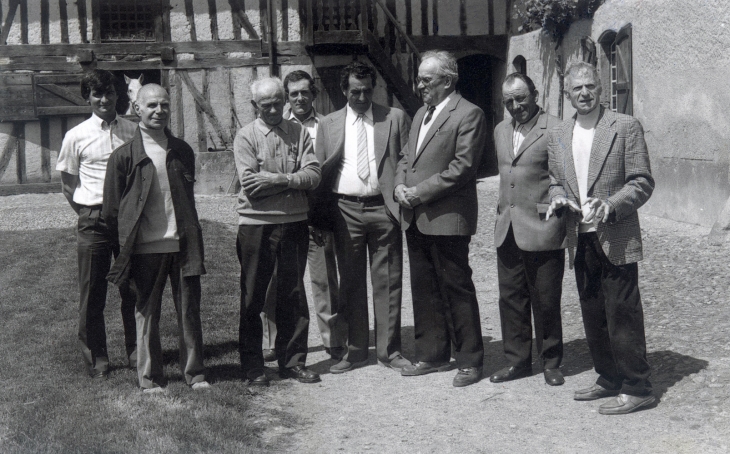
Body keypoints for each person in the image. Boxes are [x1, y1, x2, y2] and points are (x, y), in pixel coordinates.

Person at [546, 61, 655, 414]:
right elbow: (555, 180)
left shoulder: (625, 127)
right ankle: (608, 378)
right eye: (576, 88)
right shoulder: (559, 134)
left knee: (623, 312)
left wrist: (611, 204)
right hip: (579, 236)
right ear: (567, 94)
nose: (584, 93)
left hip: (616, 234)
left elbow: (641, 181)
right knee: (592, 312)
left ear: (601, 89)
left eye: (590, 86)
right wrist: (558, 197)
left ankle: (638, 386)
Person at [103, 84, 210, 393]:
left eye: (164, 105)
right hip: (145, 249)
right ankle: (150, 379)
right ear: (137, 109)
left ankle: (196, 374)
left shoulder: (182, 150)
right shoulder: (123, 157)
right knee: (147, 314)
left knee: (189, 312)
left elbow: (186, 199)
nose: (159, 111)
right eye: (151, 105)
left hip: (183, 245)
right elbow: (111, 211)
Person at [311, 62, 411, 375]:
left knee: (389, 281)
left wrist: (399, 196)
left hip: (383, 209)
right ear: (344, 91)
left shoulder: (394, 118)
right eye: (355, 91)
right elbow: (320, 171)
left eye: (367, 90)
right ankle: (355, 351)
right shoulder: (328, 123)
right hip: (345, 211)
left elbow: (406, 162)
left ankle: (389, 351)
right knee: (350, 282)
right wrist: (319, 215)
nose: (362, 96)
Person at [394, 50, 486, 387]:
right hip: (416, 216)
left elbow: (462, 168)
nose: (419, 86)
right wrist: (400, 186)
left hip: (448, 218)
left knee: (456, 288)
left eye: (426, 80)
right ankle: (432, 355)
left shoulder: (469, 114)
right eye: (420, 79)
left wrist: (419, 192)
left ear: (447, 81)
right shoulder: (420, 114)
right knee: (424, 288)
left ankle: (470, 361)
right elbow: (407, 157)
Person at [233, 77, 322, 386]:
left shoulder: (299, 132)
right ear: (254, 106)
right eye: (264, 104)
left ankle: (293, 361)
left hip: (295, 222)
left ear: (284, 100)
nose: (272, 109)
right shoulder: (245, 136)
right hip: (256, 226)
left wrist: (277, 179)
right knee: (253, 298)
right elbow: (251, 185)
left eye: (276, 102)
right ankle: (253, 366)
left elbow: (313, 174)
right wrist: (291, 178)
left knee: (293, 295)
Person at [259, 70, 346, 362]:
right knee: (276, 281)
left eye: (304, 92)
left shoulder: (330, 125)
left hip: (319, 213)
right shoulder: (274, 124)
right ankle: (272, 341)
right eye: (293, 93)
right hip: (283, 213)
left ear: (314, 94)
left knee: (324, 280)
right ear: (286, 96)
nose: (299, 98)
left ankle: (333, 339)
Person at [56, 69, 137, 379]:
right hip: (93, 218)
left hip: (128, 220)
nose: (104, 99)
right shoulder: (76, 136)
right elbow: (67, 184)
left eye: (109, 93)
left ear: (118, 95)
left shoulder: (132, 132)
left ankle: (136, 350)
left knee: (133, 288)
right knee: (93, 292)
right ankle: (98, 359)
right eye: (97, 94)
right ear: (87, 98)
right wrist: (88, 212)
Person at [490, 73, 566, 386]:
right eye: (509, 101)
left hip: (542, 225)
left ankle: (551, 362)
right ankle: (517, 361)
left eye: (521, 98)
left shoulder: (556, 127)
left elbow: (562, 174)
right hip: (507, 226)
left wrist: (560, 193)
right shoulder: (500, 130)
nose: (516, 106)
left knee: (546, 299)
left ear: (534, 94)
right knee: (510, 298)